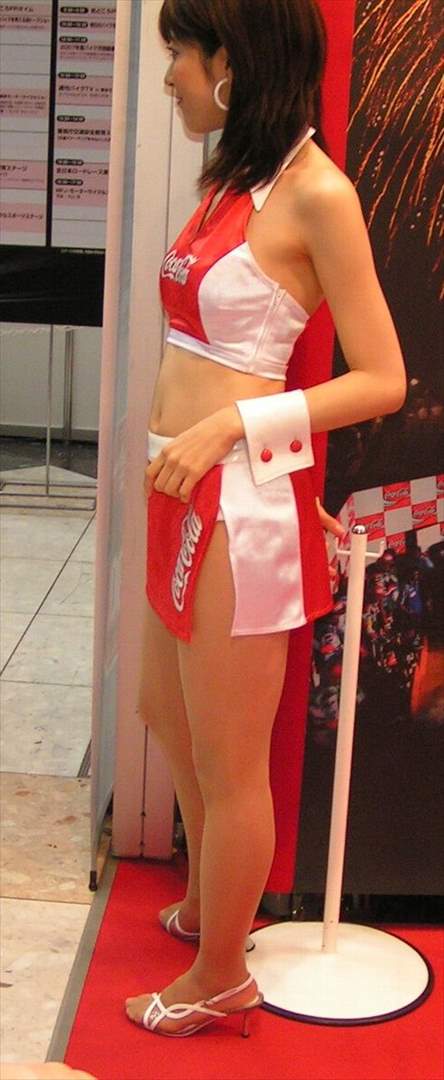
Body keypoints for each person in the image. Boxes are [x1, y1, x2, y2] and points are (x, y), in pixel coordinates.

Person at [126, 0, 406, 1038]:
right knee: (166, 713)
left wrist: (233, 427)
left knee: (230, 758)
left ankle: (220, 979)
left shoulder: (320, 193)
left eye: (180, 56)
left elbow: (382, 376)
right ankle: (213, 908)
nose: (171, 78)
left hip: (236, 502)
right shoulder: (231, 177)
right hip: (181, 481)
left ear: (232, 62)